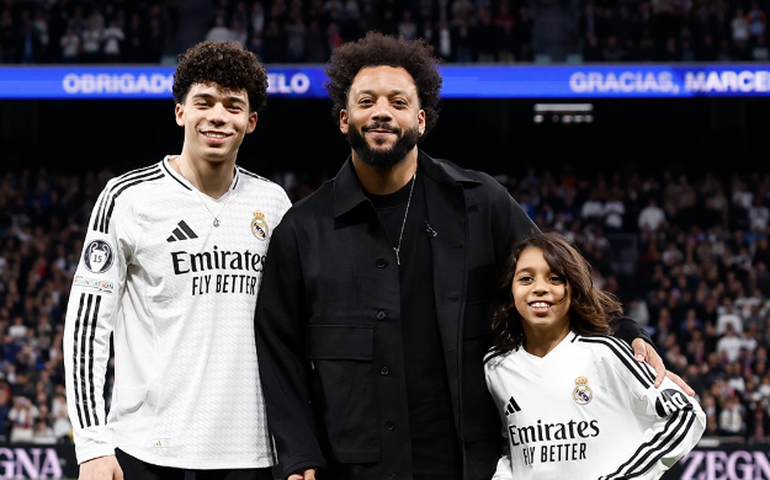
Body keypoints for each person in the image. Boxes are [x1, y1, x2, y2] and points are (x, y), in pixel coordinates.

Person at [254, 32, 686, 480]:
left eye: (397, 103)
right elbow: (277, 349)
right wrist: (300, 454)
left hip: (471, 465)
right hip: (352, 467)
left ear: (421, 120)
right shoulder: (302, 229)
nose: (382, 112)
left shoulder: (481, 202)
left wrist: (628, 333)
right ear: (345, 119)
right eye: (367, 101)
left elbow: (555, 281)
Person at [63, 40, 292, 480]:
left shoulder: (274, 203)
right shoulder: (128, 198)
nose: (218, 116)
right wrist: (91, 444)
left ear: (251, 121)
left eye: (233, 105)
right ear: (180, 111)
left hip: (252, 454)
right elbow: (87, 327)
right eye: (203, 101)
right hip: (148, 449)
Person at [484, 232, 705, 479]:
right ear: (511, 293)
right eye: (525, 279)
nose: (540, 288)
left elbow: (687, 413)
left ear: (574, 290)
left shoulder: (604, 352)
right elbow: (510, 449)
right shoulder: (497, 366)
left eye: (555, 279)